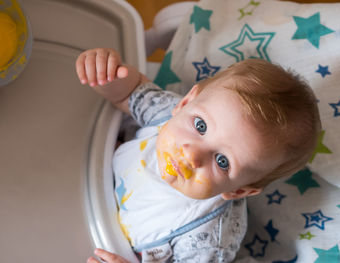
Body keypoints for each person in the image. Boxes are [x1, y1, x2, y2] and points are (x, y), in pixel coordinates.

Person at [76, 48, 321, 263]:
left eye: (222, 161)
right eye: (201, 126)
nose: (192, 154)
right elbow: (126, 94)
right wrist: (106, 73)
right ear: (185, 103)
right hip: (78, 176)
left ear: (238, 191)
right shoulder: (165, 114)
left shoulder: (208, 241)